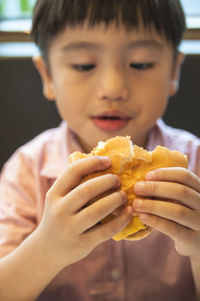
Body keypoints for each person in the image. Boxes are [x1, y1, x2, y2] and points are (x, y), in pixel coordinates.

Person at [0, 0, 200, 300]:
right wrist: (47, 249)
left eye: (141, 64)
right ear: (48, 76)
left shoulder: (194, 163)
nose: (113, 87)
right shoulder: (27, 170)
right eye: (84, 65)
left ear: (174, 71)